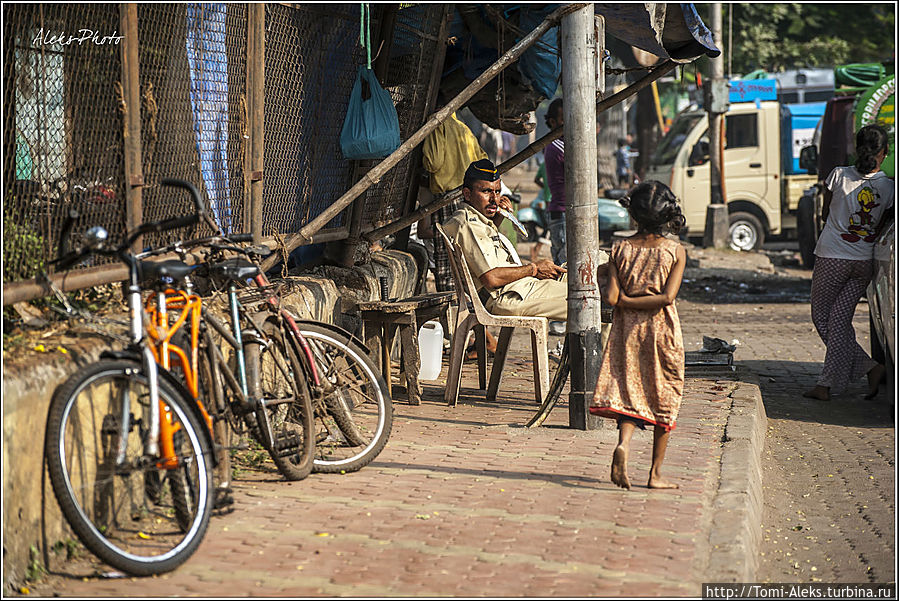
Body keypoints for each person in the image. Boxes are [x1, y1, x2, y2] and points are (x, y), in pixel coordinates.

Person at [590, 181, 687, 491]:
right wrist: (636, 302)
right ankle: (655, 473)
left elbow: (612, 297)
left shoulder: (620, 249)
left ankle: (624, 445)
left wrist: (623, 299)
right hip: (662, 331)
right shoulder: (675, 251)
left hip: (626, 331)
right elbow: (667, 298)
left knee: (630, 388)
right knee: (664, 393)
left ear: (633, 215)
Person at [802, 124, 893, 402]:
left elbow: (826, 212)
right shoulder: (890, 186)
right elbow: (885, 225)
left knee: (824, 319)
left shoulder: (838, 176)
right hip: (864, 262)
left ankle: (828, 384)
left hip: (832, 258)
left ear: (857, 148)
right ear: (885, 152)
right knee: (840, 320)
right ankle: (870, 369)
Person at [443, 159, 570, 322]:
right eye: (486, 192)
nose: (494, 199)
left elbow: (488, 247)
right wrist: (534, 269)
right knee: (586, 296)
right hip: (508, 296)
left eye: (497, 192)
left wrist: (498, 217)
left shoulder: (478, 220)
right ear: (467, 194)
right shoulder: (466, 224)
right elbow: (491, 278)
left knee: (592, 271)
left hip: (519, 287)